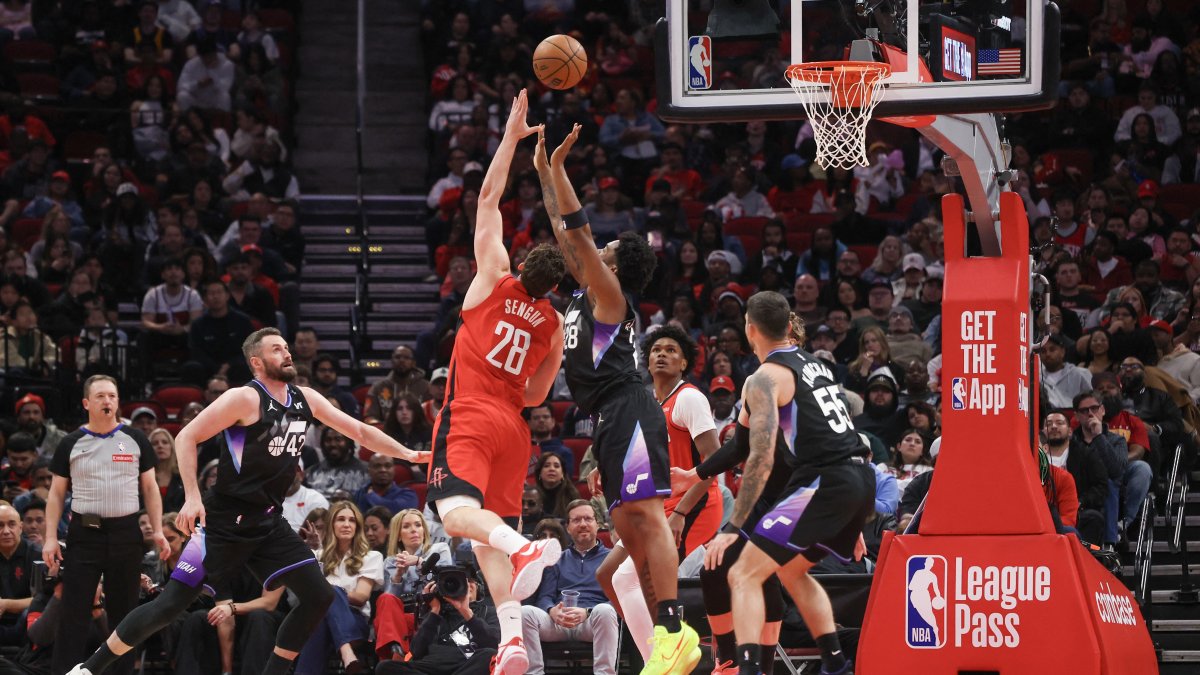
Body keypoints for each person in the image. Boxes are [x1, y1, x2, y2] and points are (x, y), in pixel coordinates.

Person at [65, 327, 429, 675]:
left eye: (286, 347)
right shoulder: (245, 398)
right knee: (168, 606)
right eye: (276, 349)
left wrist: (408, 456)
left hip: (268, 521)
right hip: (223, 521)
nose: (286, 353)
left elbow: (362, 431)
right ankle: (89, 668)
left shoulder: (306, 399)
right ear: (256, 361)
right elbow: (186, 437)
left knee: (318, 597)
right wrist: (192, 497)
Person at [535, 122, 699, 674]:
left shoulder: (611, 295)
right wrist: (540, 172)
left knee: (647, 519)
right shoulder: (587, 293)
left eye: (604, 250)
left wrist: (559, 170)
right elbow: (565, 235)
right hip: (606, 416)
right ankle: (667, 641)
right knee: (626, 529)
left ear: (615, 267)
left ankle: (675, 630)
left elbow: (577, 233)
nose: (593, 251)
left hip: (629, 407)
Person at [424, 90, 567, 675]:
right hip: (515, 428)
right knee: (487, 541)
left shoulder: (491, 277)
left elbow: (487, 196)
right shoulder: (554, 325)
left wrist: (511, 136)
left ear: (521, 260)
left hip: (472, 413)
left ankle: (526, 547)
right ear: (552, 288)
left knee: (453, 514)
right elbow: (537, 397)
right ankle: (511, 641)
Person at [713, 291, 874, 675]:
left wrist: (734, 527)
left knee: (742, 574)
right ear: (789, 327)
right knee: (790, 570)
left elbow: (761, 455)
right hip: (859, 477)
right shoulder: (817, 366)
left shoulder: (764, 377)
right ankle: (836, 665)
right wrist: (850, 515)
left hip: (824, 480)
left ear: (750, 331)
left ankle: (750, 671)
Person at [598, 324, 723, 662]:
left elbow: (715, 462)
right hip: (659, 505)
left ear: (684, 362)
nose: (662, 354)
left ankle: (664, 658)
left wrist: (682, 512)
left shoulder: (690, 398)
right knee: (607, 574)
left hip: (695, 503)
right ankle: (663, 646)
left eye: (671, 350)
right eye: (656, 350)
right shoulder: (646, 401)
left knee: (627, 578)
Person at [41, 375, 171, 674]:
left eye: (112, 396)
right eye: (100, 396)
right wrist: (50, 537)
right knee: (73, 613)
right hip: (84, 534)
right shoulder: (71, 442)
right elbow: (57, 493)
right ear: (87, 402)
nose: (107, 401)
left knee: (124, 616)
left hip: (126, 533)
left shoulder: (136, 439)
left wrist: (159, 531)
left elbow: (150, 489)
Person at [522, 500, 619, 675]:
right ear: (568, 527)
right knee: (525, 612)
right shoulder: (557, 558)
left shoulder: (612, 557)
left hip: (591, 621)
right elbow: (545, 597)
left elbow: (618, 600)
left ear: (598, 524)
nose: (583, 524)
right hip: (558, 622)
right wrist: (551, 610)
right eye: (576, 520)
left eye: (588, 519)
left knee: (605, 610)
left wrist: (587, 612)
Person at [294, 501, 383, 675]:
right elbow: (305, 592)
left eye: (352, 520)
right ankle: (346, 651)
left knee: (331, 593)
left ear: (357, 526)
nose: (346, 524)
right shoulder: (317, 556)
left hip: (354, 622)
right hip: (318, 620)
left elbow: (361, 597)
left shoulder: (371, 556)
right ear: (331, 524)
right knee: (320, 622)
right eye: (341, 519)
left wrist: (333, 592)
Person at [374, 508, 453, 660]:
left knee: (384, 625)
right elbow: (391, 602)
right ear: (398, 535)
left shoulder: (439, 550)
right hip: (402, 618)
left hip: (431, 614)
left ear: (424, 529)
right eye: (406, 526)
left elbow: (444, 581)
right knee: (385, 599)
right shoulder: (391, 562)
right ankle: (397, 653)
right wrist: (398, 575)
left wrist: (418, 562)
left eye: (418, 525)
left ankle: (396, 658)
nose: (414, 530)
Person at [353, 453, 418, 515]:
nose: (383, 470)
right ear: (369, 470)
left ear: (394, 470)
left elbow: (395, 510)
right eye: (377, 466)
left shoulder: (408, 495)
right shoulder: (360, 494)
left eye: (388, 466)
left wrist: (372, 496)